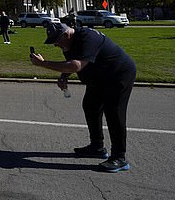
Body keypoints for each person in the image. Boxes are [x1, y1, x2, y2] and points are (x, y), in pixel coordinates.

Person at [29, 23, 136, 173]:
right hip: (99, 77)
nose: (55, 45)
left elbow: (76, 65)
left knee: (114, 113)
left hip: (118, 74)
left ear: (66, 35)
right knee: (90, 106)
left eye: (56, 41)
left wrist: (42, 64)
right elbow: (70, 64)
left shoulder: (87, 37)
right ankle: (97, 146)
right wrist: (63, 76)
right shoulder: (68, 44)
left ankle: (119, 157)